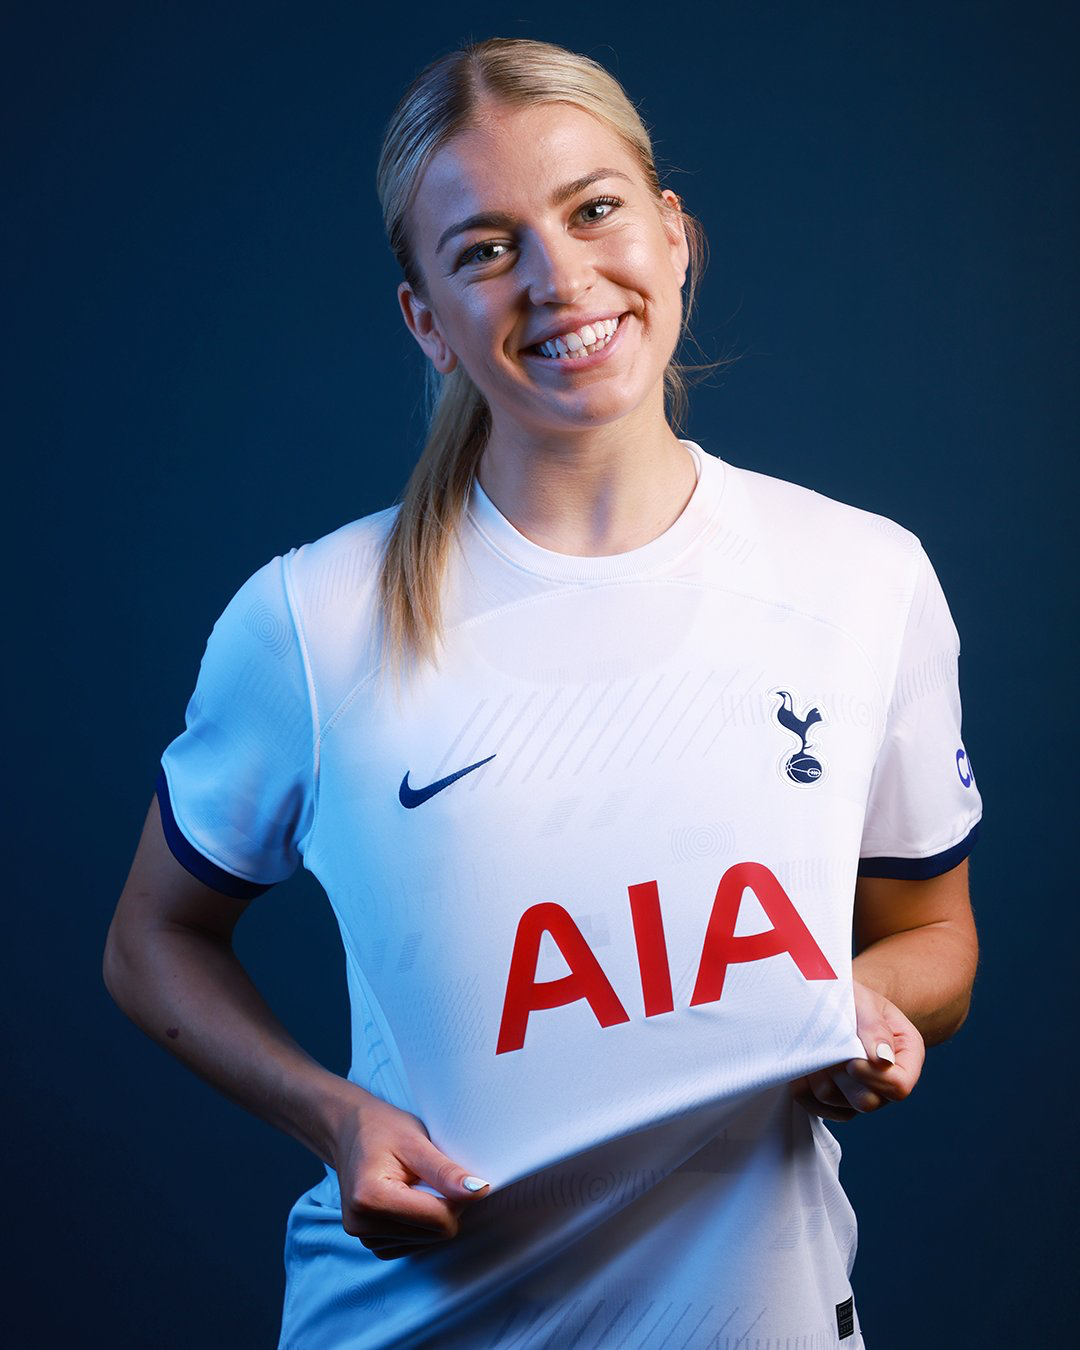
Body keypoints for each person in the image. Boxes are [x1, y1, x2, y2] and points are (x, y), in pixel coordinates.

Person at [104, 36, 982, 1350]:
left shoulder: (863, 578)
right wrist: (335, 1116)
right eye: (485, 247)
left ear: (672, 235)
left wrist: (875, 1006)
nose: (561, 278)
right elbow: (149, 941)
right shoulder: (311, 620)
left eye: (594, 210)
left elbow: (937, 940)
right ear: (428, 321)